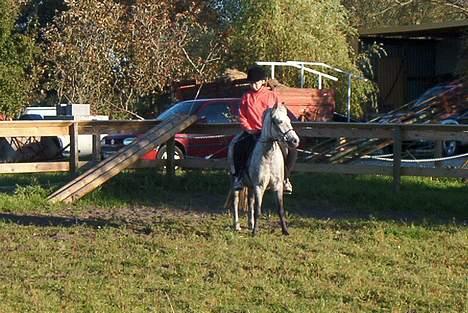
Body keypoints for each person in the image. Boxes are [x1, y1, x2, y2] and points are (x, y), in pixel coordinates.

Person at [230, 65, 297, 194]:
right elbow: (242, 115)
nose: (253, 85)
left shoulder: (272, 96)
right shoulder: (246, 97)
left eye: (255, 82)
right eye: (251, 83)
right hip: (252, 131)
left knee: (292, 151)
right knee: (238, 147)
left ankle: (285, 179)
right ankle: (238, 177)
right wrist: (248, 129)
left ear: (262, 82)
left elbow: (281, 112)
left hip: (271, 132)